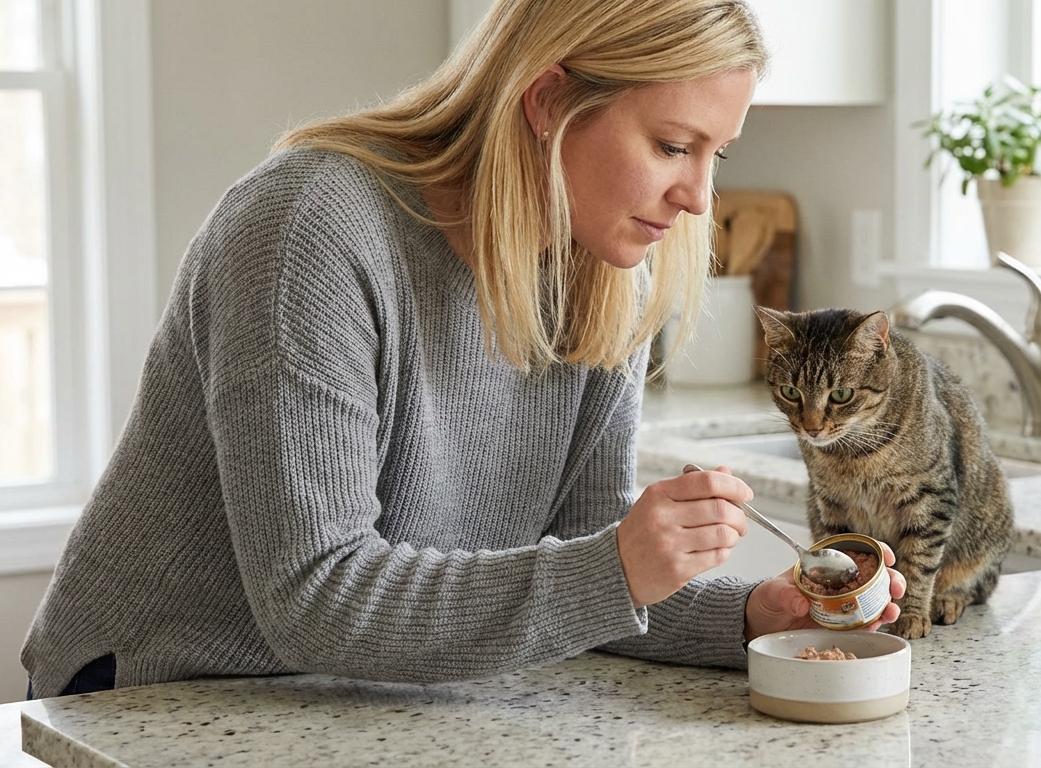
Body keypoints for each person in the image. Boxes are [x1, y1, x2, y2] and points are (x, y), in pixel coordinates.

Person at [22, 0, 904, 700]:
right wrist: (614, 566)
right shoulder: (310, 228)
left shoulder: (605, 267)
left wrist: (753, 614)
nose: (699, 197)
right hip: (152, 699)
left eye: (717, 153)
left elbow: (583, 561)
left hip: (366, 702)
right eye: (674, 145)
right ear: (551, 100)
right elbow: (315, 597)